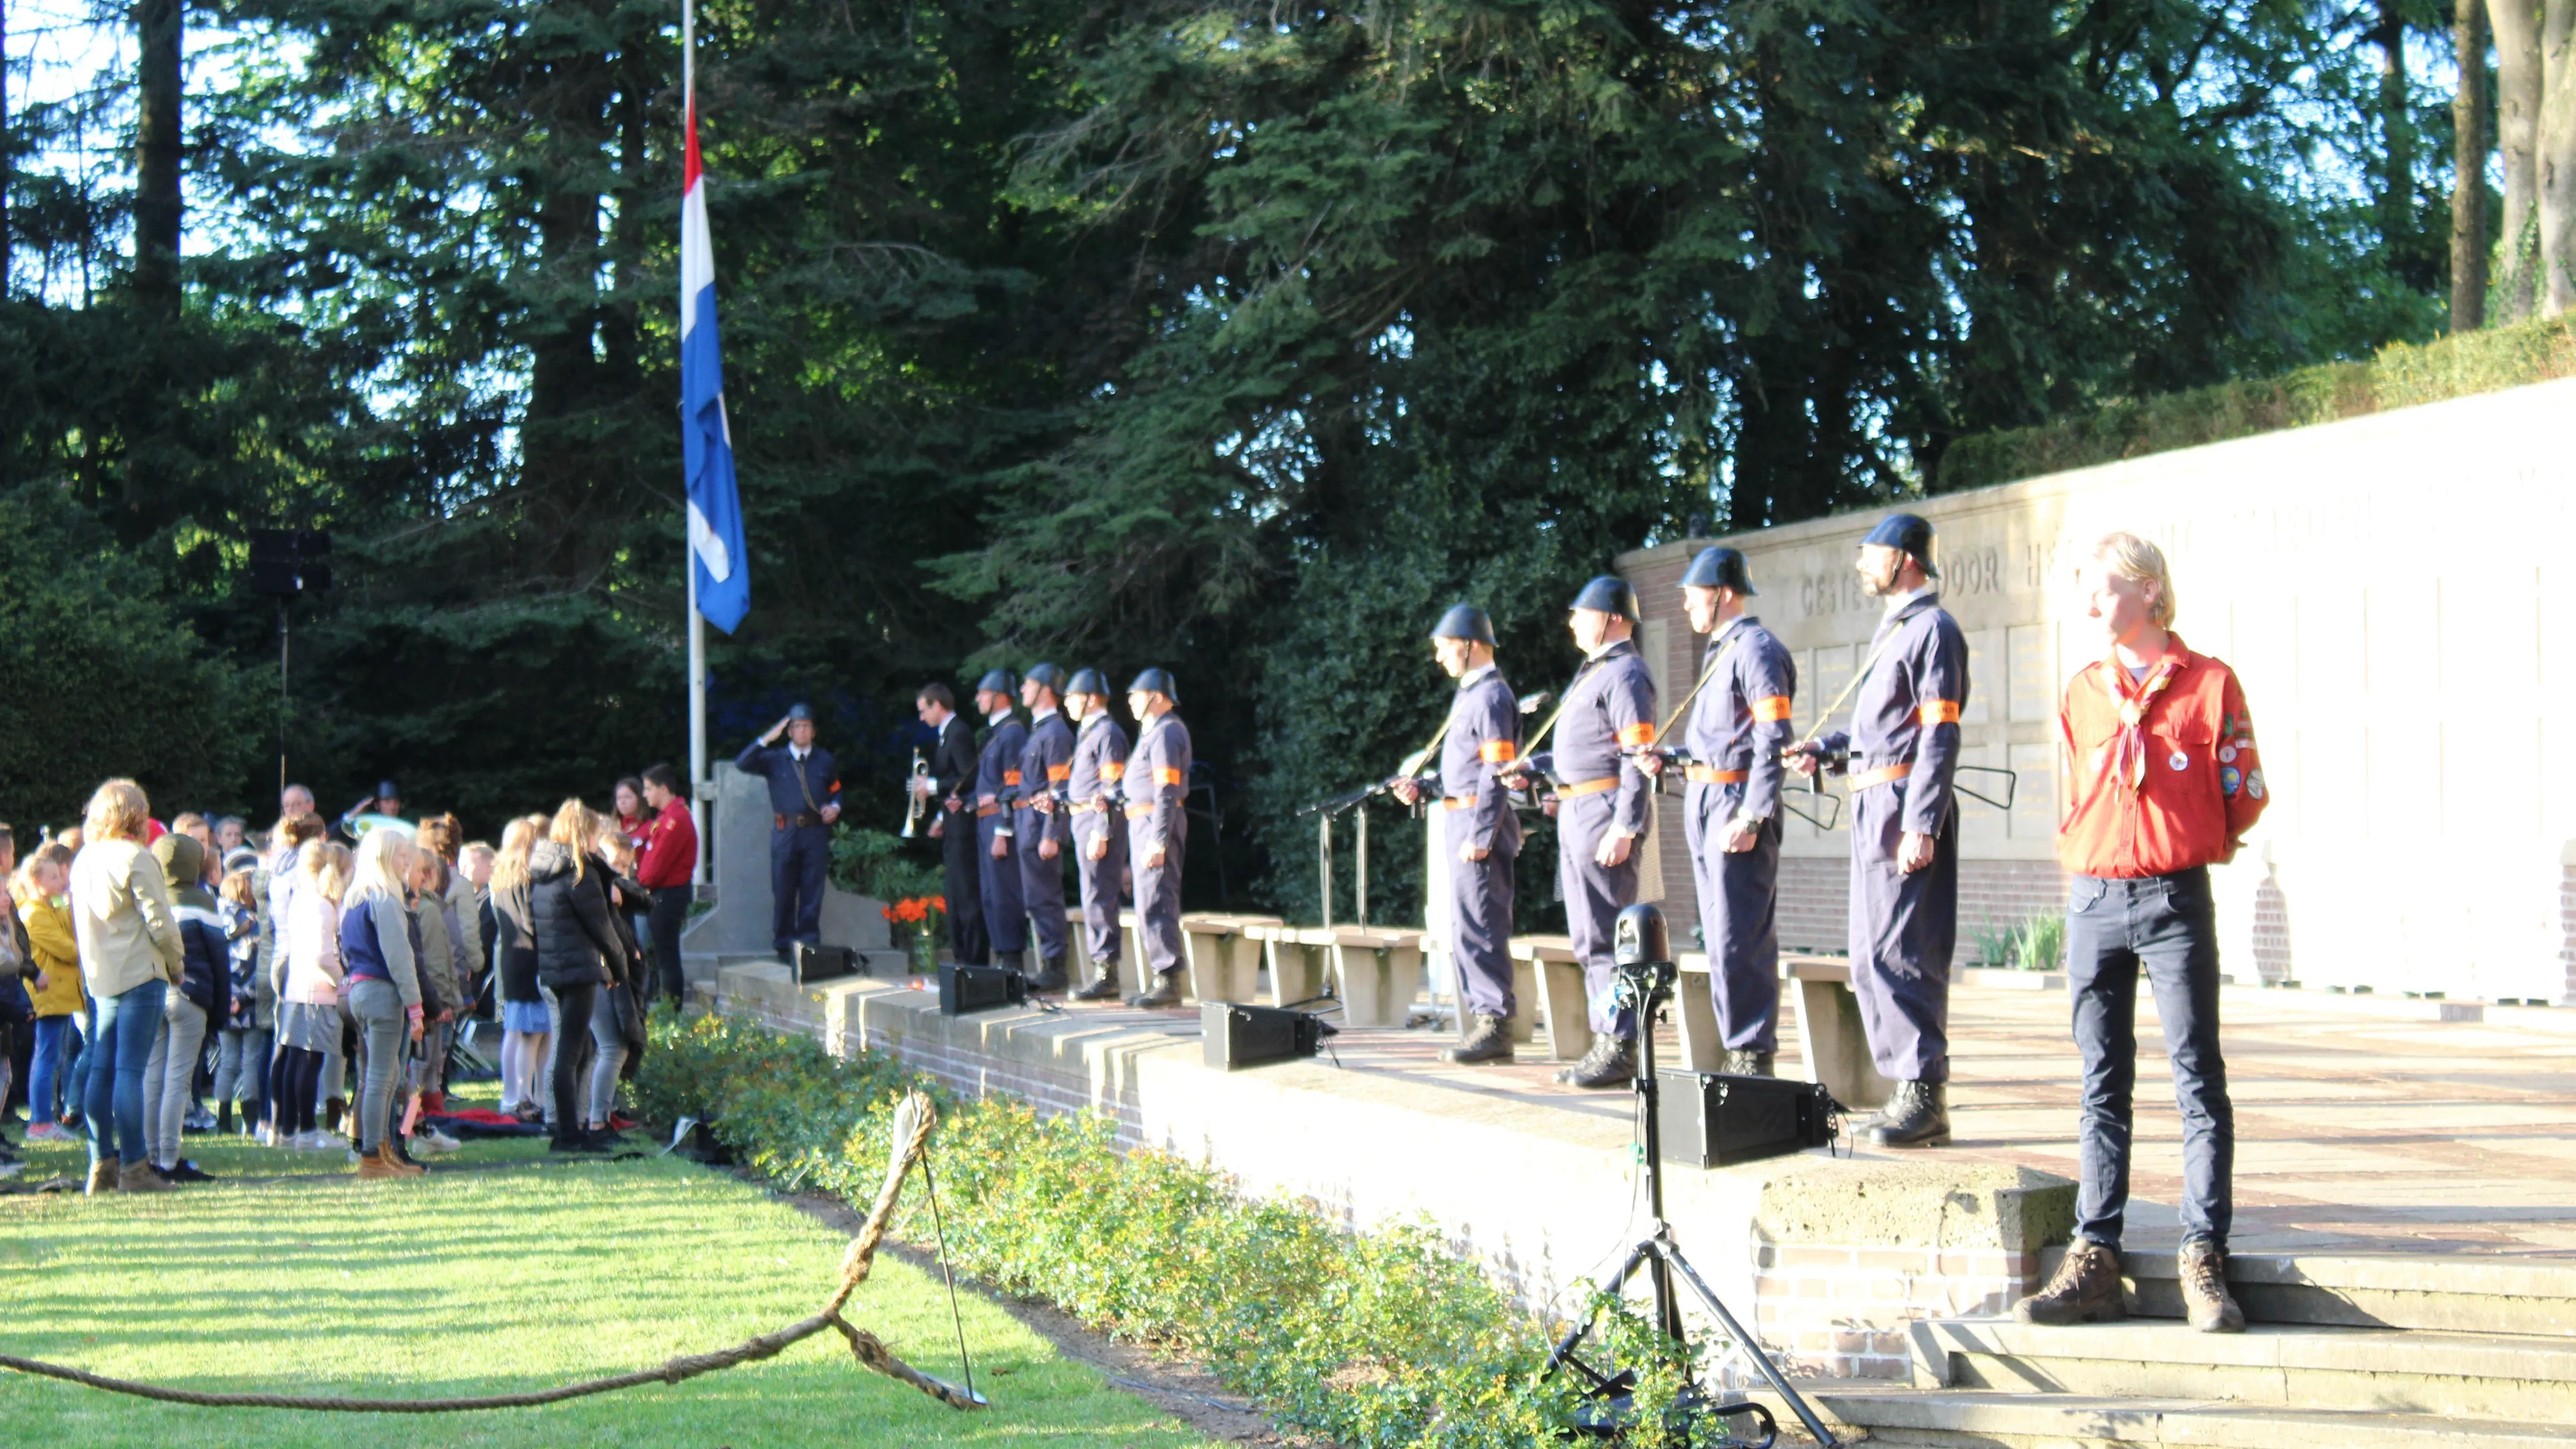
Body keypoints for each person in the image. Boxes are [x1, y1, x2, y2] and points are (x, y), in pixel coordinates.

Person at [2013, 532, 2265, 1336]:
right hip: (2093, 901)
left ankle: (2204, 1255)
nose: (2092, 606)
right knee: (2101, 1083)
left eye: (2105, 589)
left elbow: (2245, 789)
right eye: (2089, 591)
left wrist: (2193, 841)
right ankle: (2095, 1255)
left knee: (2198, 1079)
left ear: (2151, 591)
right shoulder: (2083, 690)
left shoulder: (2211, 684)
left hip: (2172, 902)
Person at [1785, 512, 1970, 1148]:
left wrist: (1922, 821)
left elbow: (1939, 732)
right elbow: (1882, 730)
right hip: (1874, 802)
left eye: (1873, 553)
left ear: (1907, 560)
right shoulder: (1895, 630)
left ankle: (1925, 1093)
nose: (1863, 564)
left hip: (1902, 807)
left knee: (1904, 948)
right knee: (1869, 953)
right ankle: (1902, 1086)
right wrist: (1830, 749)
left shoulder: (1933, 630)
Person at [1512, 577, 1658, 1089]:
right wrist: (1537, 771)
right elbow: (1587, 747)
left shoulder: (1626, 673)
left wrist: (1626, 823)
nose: (1572, 622)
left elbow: (1637, 758)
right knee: (1587, 939)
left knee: (1606, 937)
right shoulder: (1593, 672)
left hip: (1602, 812)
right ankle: (1607, 1039)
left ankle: (1618, 1045)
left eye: (1581, 613)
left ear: (1613, 617)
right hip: (1578, 808)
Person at [1659, 547, 1796, 1076]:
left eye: (1695, 594)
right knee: (1718, 933)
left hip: (1735, 803)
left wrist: (1754, 813)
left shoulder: (1756, 650)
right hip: (1705, 797)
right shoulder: (1723, 649)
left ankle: (1751, 1051)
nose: (1689, 604)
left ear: (1724, 594)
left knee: (1740, 932)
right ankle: (1737, 1045)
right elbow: (1722, 738)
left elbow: (1772, 737)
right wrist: (1670, 757)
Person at [1395, 606, 1523, 1063]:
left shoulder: (1490, 697)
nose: (1439, 657)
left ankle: (1495, 1025)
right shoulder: (1472, 695)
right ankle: (1485, 1021)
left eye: (1444, 647)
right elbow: (1469, 771)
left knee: (1483, 925)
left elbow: (1495, 769)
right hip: (1460, 819)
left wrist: (1484, 831)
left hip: (1475, 826)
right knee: (1468, 926)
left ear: (1469, 645)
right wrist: (1426, 786)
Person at [68, 779, 185, 1194]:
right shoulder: (137, 856)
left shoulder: (83, 860)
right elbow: (160, 921)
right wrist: (176, 962)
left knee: (100, 1070)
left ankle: (101, 1164)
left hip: (101, 976)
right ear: (138, 815)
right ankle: (136, 1168)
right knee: (129, 1072)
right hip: (140, 973)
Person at [529, 800, 627, 1152]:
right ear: (584, 834)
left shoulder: (543, 873)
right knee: (572, 1054)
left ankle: (571, 1128)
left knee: (577, 1050)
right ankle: (568, 1134)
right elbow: (601, 928)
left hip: (554, 970)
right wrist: (618, 968)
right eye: (595, 837)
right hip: (579, 970)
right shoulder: (578, 873)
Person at [339, 828, 425, 1179]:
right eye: (402, 856)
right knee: (381, 1076)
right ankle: (374, 1155)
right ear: (386, 857)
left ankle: (382, 1150)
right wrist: (416, 1007)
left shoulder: (354, 900)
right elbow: (399, 958)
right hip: (381, 992)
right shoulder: (385, 900)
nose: (407, 862)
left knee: (381, 1075)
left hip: (358, 990)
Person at [141, 833, 224, 1181]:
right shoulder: (202, 902)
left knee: (152, 1077)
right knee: (178, 1080)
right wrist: (219, 1009)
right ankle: (170, 1158)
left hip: (154, 994)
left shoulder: (148, 898)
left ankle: (147, 1155)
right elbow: (219, 958)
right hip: (191, 996)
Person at [733, 706, 841, 962]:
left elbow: (836, 789)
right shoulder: (775, 759)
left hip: (815, 831)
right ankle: (784, 945)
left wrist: (835, 806)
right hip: (786, 831)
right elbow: (742, 762)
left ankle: (809, 944)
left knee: (812, 890)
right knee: (783, 889)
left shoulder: (825, 760)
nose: (802, 731)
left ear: (814, 731)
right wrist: (767, 738)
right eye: (796, 727)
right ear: (789, 731)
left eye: (806, 726)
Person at [274, 841, 354, 1152]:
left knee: (295, 1060)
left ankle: (288, 1129)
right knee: (309, 1061)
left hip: (298, 988)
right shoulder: (322, 905)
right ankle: (306, 1130)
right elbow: (323, 956)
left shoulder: (302, 899)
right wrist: (344, 982)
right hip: (316, 992)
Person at [1120, 669, 1191, 1008]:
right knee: (1148, 899)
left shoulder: (1166, 732)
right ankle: (1160, 976)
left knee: (1158, 899)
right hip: (1143, 823)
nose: (1131, 701)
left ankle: (1168, 979)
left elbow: (1166, 789)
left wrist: (1158, 839)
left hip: (1156, 823)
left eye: (1137, 694)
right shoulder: (1153, 732)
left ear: (1157, 696)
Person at [1064, 669, 1132, 1002]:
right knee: (1092, 895)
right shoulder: (1089, 732)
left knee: (1099, 896)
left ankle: (1107, 973)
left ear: (1091, 698)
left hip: (1097, 822)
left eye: (1072, 697)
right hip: (1084, 820)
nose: (1067, 703)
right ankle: (1101, 967)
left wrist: (1101, 832)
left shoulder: (1108, 733)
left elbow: (1111, 787)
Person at [915, 683, 988, 965]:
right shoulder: (948, 734)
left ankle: (973, 959)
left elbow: (968, 778)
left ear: (938, 706)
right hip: (953, 822)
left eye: (924, 711)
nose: (922, 718)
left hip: (965, 828)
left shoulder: (958, 733)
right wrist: (939, 817)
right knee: (956, 893)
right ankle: (963, 957)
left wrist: (930, 785)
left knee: (966, 892)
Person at [1014, 663, 1077, 992]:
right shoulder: (1040, 730)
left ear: (1045, 690)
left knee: (1046, 897)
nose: (1023, 690)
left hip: (1041, 826)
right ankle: (1048, 964)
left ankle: (1055, 968)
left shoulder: (1055, 733)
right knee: (1036, 898)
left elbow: (1059, 788)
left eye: (1029, 684)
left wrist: (1052, 833)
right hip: (1029, 824)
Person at [18, 845, 84, 1144]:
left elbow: (73, 932)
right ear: (36, 883)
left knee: (51, 1055)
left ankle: (44, 1120)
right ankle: (41, 1122)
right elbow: (69, 949)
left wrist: (67, 906)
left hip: (61, 994)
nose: (62, 881)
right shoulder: (33, 915)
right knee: (47, 1057)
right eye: (55, 877)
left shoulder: (52, 908)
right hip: (48, 995)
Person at [488, 816, 549, 1120]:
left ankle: (514, 1095)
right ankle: (524, 1097)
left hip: (512, 961)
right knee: (532, 1033)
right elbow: (532, 921)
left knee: (516, 1031)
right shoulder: (529, 879)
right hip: (532, 959)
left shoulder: (500, 878)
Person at [971, 671, 1030, 973]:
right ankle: (1002, 955)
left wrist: (1002, 830)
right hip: (985, 821)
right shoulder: (997, 731)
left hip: (998, 823)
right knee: (990, 895)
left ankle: (1012, 960)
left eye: (983, 693)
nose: (978, 699)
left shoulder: (1012, 733)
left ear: (999, 696)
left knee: (1005, 893)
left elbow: (1012, 787)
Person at [212, 867, 269, 1136]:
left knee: (227, 1061)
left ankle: (222, 1121)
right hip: (250, 1004)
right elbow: (261, 969)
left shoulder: (213, 922)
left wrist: (225, 997)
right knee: (251, 1061)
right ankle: (250, 1120)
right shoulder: (257, 927)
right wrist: (244, 996)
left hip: (223, 1001)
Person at [636, 764, 698, 1006]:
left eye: (649, 789)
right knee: (663, 956)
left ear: (664, 788)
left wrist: (639, 884)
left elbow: (657, 864)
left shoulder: (675, 820)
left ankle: (672, 1011)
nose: (645, 794)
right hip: (662, 892)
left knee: (667, 957)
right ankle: (669, 1008)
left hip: (668, 894)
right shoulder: (667, 818)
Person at [339, 780, 405, 841]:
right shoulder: (367, 826)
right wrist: (354, 813)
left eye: (396, 802)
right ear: (377, 805)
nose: (393, 807)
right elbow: (335, 833)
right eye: (387, 802)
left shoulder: (404, 828)